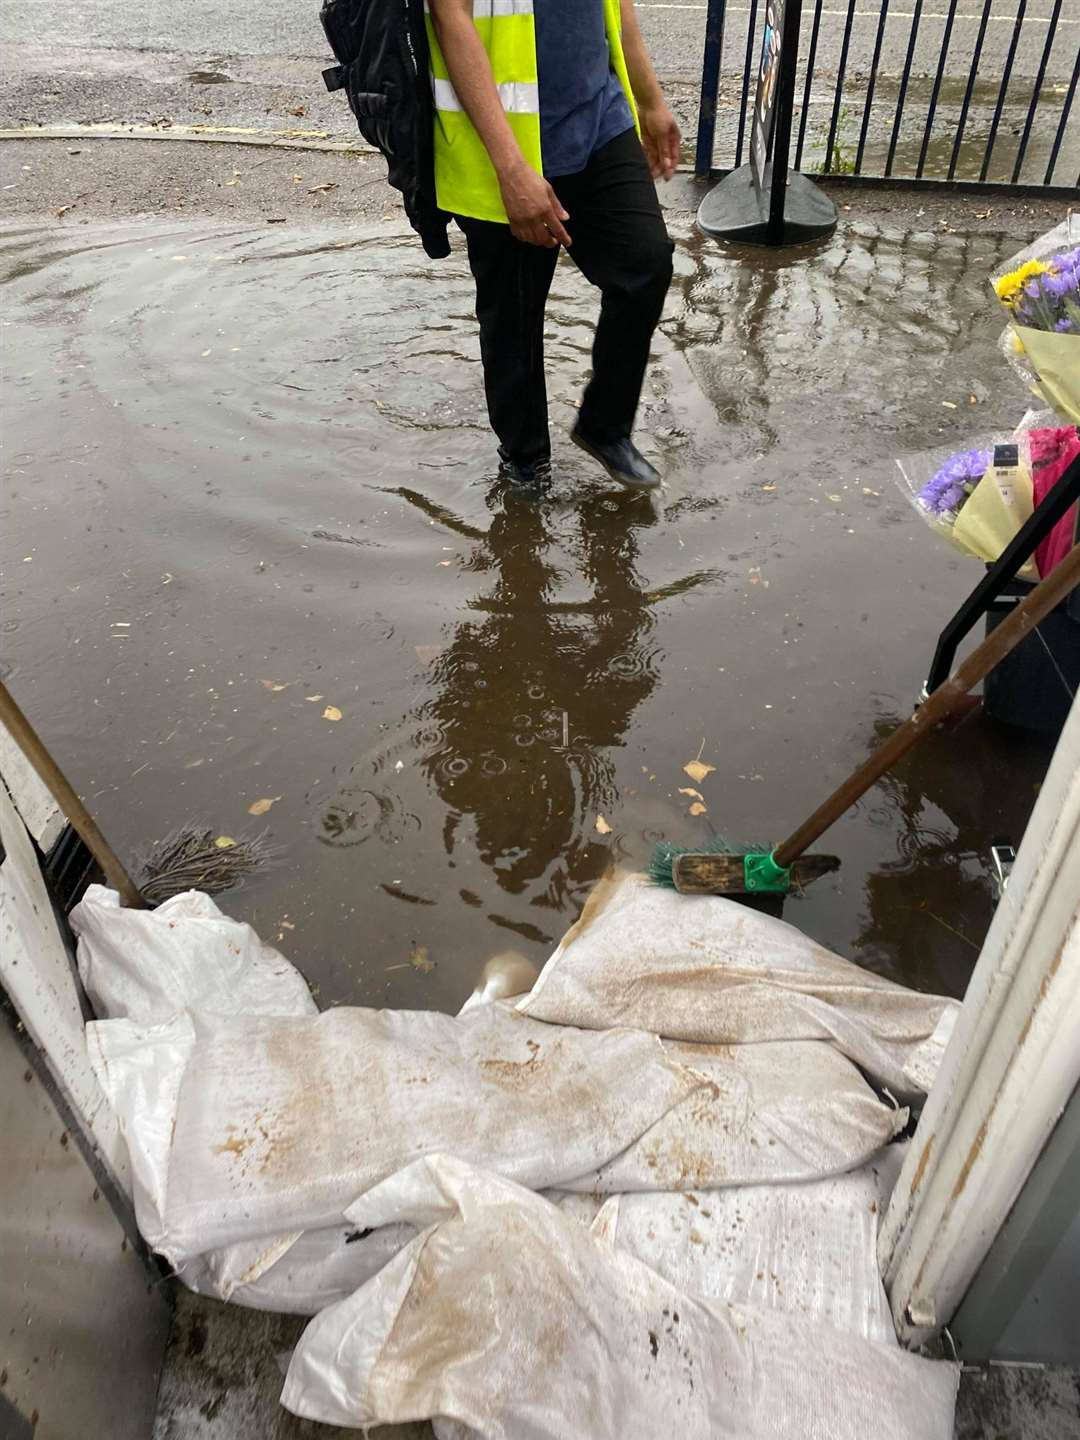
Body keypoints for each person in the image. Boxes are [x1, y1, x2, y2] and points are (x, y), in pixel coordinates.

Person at [428, 0, 680, 491]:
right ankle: (525, 464)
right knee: (514, 316)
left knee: (645, 264)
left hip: (598, 117)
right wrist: (511, 168)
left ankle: (604, 428)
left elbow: (617, 7)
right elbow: (450, 17)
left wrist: (650, 100)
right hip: (499, 142)